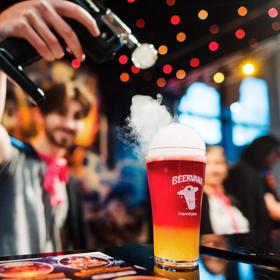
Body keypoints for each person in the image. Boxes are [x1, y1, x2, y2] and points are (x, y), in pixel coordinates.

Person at [0, 0, 100, 256]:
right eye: (60, 112)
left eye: (77, 116)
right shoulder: (11, 157)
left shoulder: (69, 179)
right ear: (41, 115)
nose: (69, 124)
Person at [224, 135, 280, 232]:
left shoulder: (258, 173)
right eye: (276, 153)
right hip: (250, 235)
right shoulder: (248, 174)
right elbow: (254, 214)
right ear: (264, 151)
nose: (277, 158)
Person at [201, 146, 249, 235]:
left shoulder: (232, 198)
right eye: (207, 164)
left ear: (226, 167)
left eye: (218, 163)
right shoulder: (198, 203)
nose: (214, 169)